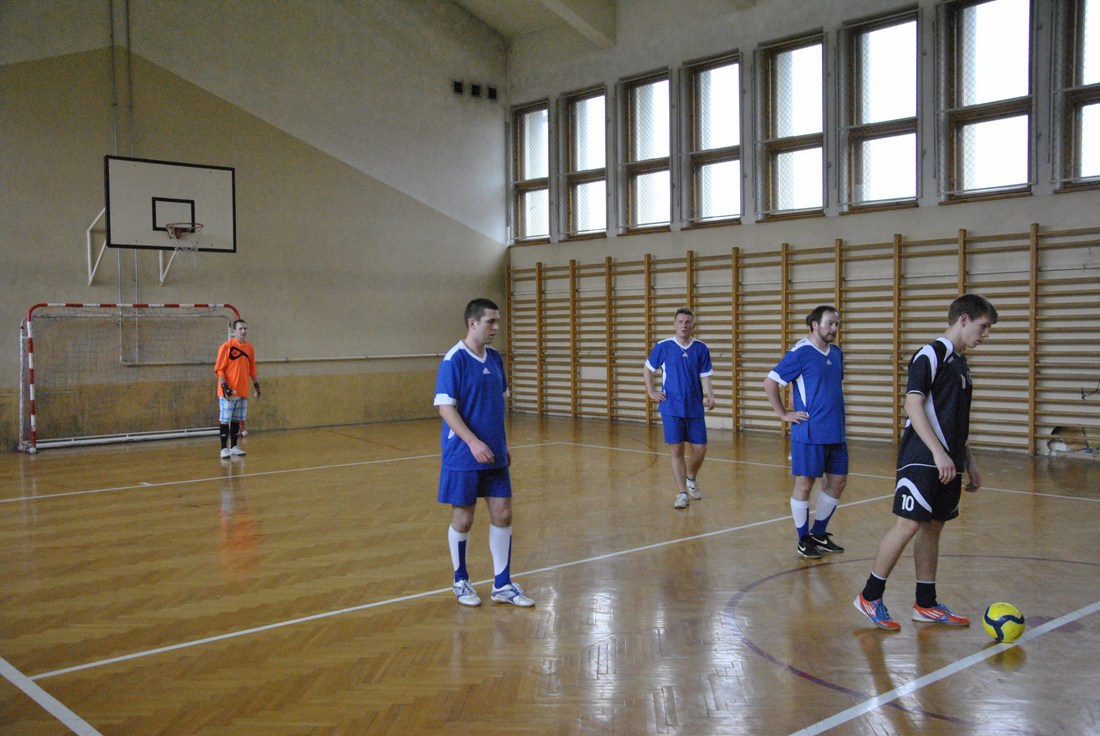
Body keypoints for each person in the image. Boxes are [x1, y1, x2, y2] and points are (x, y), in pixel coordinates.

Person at [854, 294, 998, 631]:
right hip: (922, 457)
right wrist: (936, 452)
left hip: (948, 460)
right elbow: (913, 405)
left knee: (933, 527)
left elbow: (954, 420)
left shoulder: (961, 365)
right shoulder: (930, 354)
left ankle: (926, 603)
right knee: (908, 525)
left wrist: (968, 460)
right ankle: (869, 596)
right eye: (983, 327)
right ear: (964, 319)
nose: (986, 335)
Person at [435, 298, 535, 608]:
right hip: (462, 454)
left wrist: (502, 444)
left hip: (495, 454)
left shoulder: (494, 358)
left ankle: (502, 584)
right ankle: (460, 580)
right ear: (473, 323)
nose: (496, 327)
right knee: (464, 519)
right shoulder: (454, 359)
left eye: (497, 321)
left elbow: (499, 404)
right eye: (491, 321)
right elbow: (445, 408)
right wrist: (473, 443)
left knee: (503, 514)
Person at [764, 305, 848, 559]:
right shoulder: (800, 353)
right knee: (805, 483)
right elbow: (770, 382)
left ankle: (819, 534)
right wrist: (783, 414)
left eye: (836, 324)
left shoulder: (837, 353)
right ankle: (803, 539)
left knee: (838, 482)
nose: (834, 328)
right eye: (829, 323)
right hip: (810, 433)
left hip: (836, 431)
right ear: (815, 325)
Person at [644, 307, 717, 509]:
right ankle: (682, 492)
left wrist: (710, 395)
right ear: (674, 324)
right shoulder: (664, 346)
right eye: (681, 322)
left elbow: (705, 376)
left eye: (688, 322)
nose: (684, 325)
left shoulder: (701, 348)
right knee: (677, 450)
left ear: (693, 325)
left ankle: (691, 476)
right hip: (671, 407)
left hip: (694, 407)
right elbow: (647, 369)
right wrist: (651, 391)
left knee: (700, 448)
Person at [214, 319, 260, 459]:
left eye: (245, 328)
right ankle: (224, 449)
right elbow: (219, 369)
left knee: (236, 419)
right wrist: (224, 387)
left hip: (242, 390)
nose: (243, 331)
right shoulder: (226, 347)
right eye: (240, 328)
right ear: (234, 331)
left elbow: (252, 369)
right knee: (225, 419)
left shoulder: (249, 348)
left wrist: (256, 386)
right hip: (228, 392)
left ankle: (234, 446)